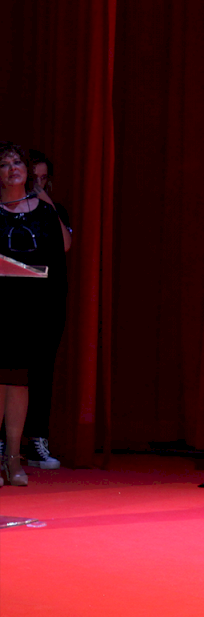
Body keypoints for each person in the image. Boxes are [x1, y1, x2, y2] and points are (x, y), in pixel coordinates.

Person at [0, 142, 70, 487]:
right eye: (4, 164)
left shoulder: (42, 211)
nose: (12, 168)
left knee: (18, 382)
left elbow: (60, 250)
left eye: (17, 162)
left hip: (29, 307)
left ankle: (14, 458)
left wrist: (45, 200)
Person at [23, 150, 70, 470]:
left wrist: (48, 204)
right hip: (14, 298)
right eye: (33, 178)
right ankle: (5, 441)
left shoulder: (53, 210)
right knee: (10, 372)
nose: (38, 184)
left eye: (44, 178)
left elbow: (65, 245)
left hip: (48, 299)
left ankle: (37, 438)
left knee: (42, 371)